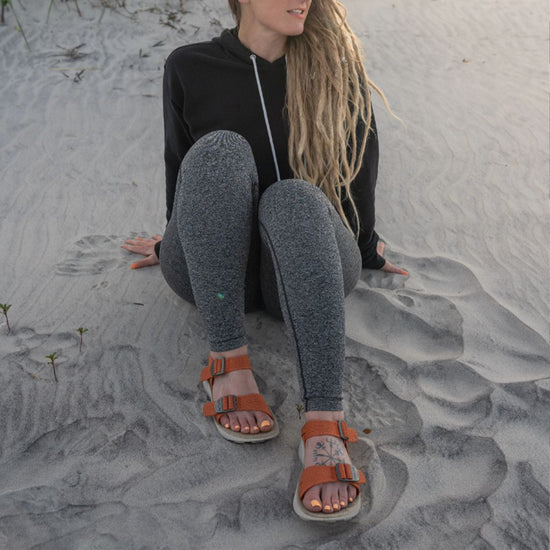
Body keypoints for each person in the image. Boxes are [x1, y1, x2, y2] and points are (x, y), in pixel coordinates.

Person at [122, 0, 407, 521]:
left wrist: (366, 248)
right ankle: (228, 364)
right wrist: (171, 242)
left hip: (299, 268)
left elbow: (360, 173)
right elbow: (180, 173)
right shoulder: (189, 65)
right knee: (219, 151)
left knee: (294, 197)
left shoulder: (334, 69)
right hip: (216, 276)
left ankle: (324, 424)